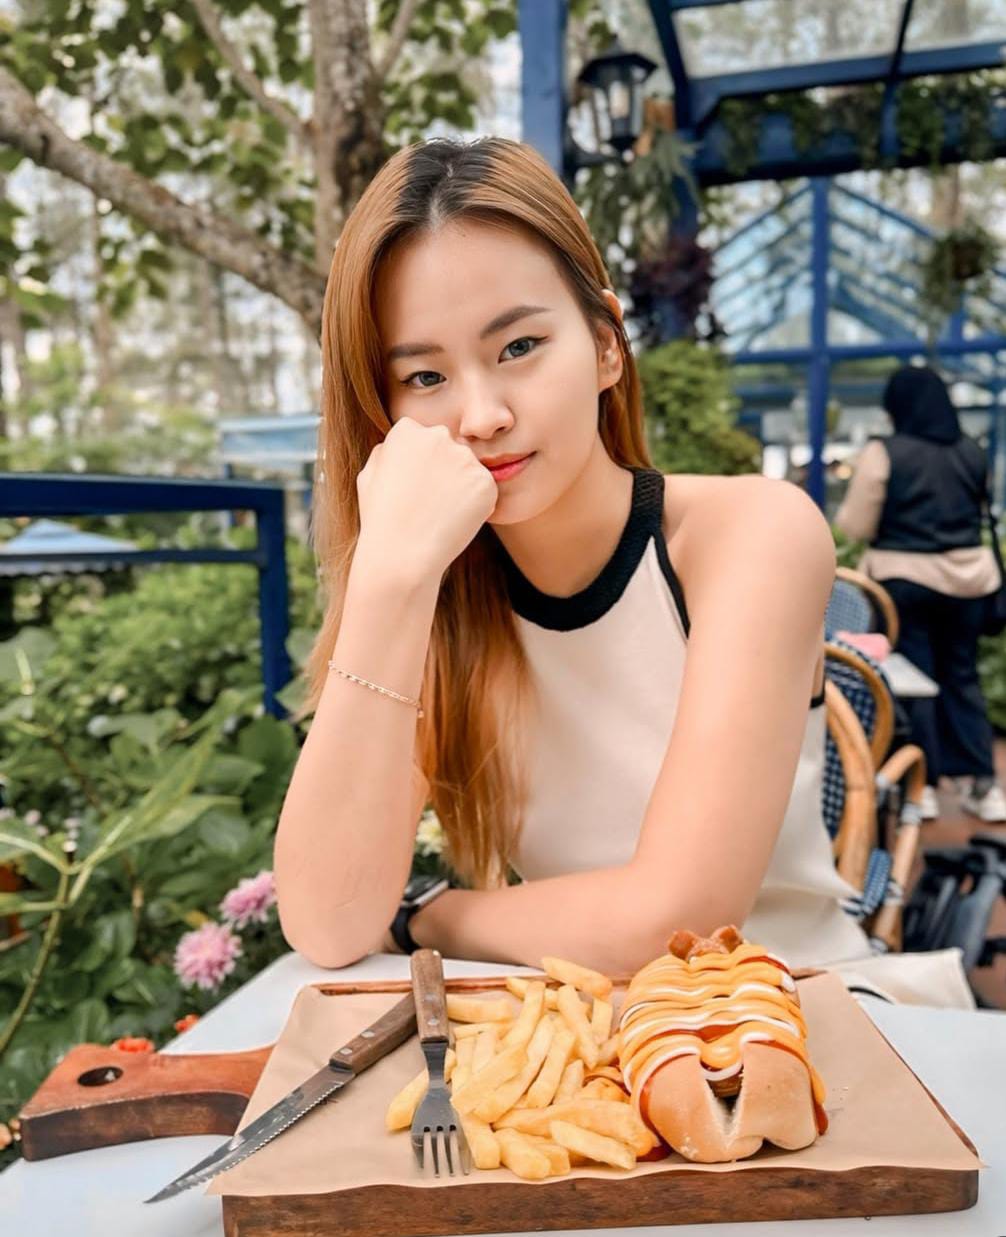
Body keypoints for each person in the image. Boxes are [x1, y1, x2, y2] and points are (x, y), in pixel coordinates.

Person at [273, 136, 974, 1009]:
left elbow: (678, 922)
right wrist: (387, 580)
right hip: (579, 1037)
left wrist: (431, 916)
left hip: (797, 1019)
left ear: (607, 344)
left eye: (520, 346)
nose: (482, 415)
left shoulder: (748, 534)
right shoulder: (439, 599)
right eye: (424, 375)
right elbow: (328, 921)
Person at [834, 364, 1004, 824]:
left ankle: (920, 784)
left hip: (903, 579)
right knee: (961, 675)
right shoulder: (971, 451)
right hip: (969, 581)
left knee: (914, 678)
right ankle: (982, 783)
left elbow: (855, 525)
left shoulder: (884, 452)